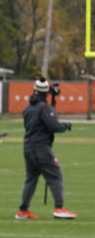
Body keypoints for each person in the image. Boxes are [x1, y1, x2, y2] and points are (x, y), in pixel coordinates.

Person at [16, 78, 75, 220]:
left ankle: (23, 211)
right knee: (55, 176)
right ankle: (59, 208)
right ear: (46, 91)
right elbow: (54, 125)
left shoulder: (27, 107)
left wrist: (52, 99)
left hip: (28, 147)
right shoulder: (44, 108)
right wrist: (66, 125)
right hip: (41, 147)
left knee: (31, 179)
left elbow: (45, 118)